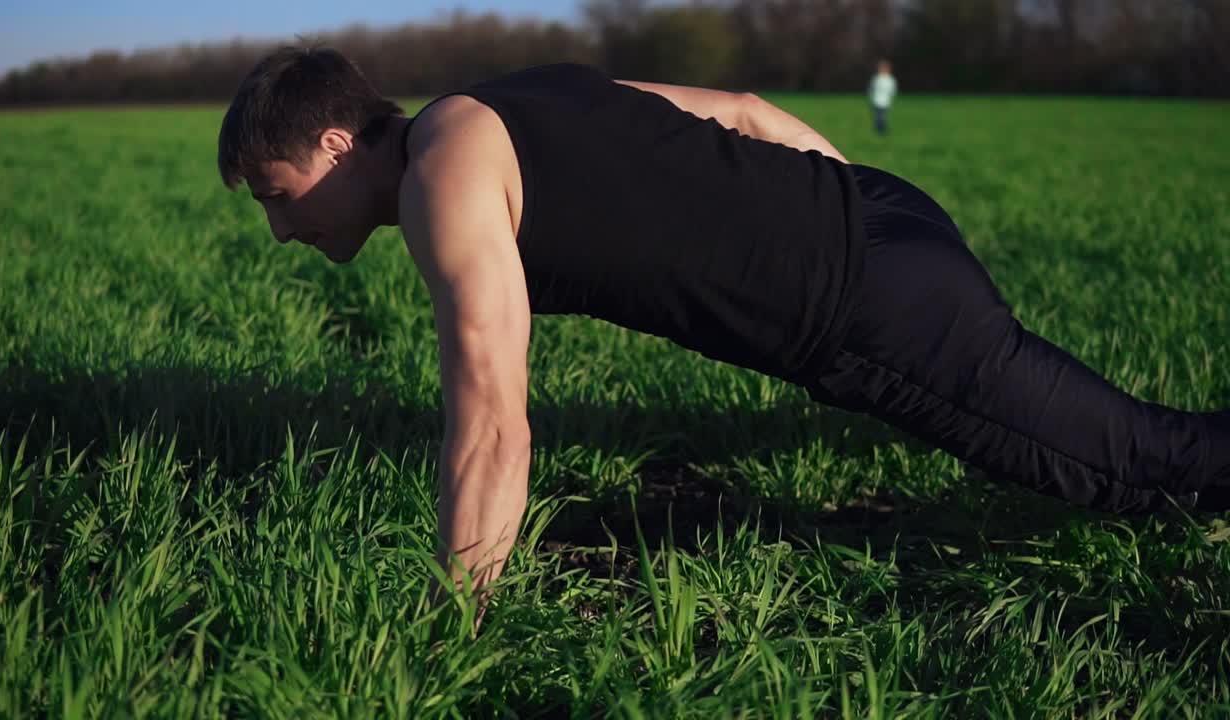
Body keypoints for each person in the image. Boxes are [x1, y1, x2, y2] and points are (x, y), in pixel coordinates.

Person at [216, 46, 1229, 601]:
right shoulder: (497, 97)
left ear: (340, 143)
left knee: (1135, 466)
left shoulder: (444, 175)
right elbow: (744, 109)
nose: (278, 226)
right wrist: (858, 225)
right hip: (882, 212)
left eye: (277, 192)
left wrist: (455, 618)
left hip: (868, 306)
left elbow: (490, 421)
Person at [868, 59, 897, 135]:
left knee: (883, 116)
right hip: (876, 100)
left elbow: (893, 90)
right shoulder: (876, 78)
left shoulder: (890, 79)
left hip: (886, 101)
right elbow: (871, 88)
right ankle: (878, 129)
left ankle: (883, 129)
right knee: (877, 116)